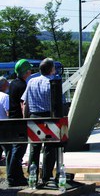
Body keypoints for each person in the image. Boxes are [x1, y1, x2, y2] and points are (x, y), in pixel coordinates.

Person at [21, 58, 61, 183]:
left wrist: (25, 118)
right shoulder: (53, 83)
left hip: (34, 117)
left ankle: (32, 176)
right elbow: (59, 103)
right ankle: (46, 176)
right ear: (51, 69)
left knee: (34, 148)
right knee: (50, 147)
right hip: (49, 117)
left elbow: (25, 102)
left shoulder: (31, 81)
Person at [7, 59, 32, 187]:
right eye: (29, 70)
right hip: (19, 120)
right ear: (26, 72)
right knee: (19, 150)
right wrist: (26, 119)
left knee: (15, 150)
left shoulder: (12, 84)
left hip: (12, 119)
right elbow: (24, 105)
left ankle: (15, 176)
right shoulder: (23, 86)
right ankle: (13, 177)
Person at [0, 77, 12, 174]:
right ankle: (10, 174)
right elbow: (9, 113)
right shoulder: (5, 97)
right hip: (4, 126)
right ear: (3, 85)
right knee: (9, 151)